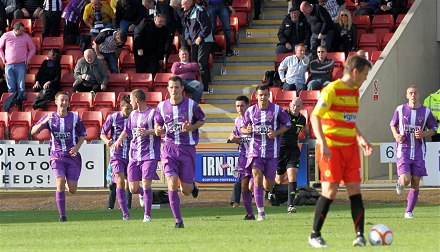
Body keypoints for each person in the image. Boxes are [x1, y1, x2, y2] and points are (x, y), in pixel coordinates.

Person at [308, 55, 373, 248]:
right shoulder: (332, 90)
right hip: (332, 148)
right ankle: (314, 234)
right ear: (355, 72)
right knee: (330, 190)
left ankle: (360, 235)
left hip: (350, 149)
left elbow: (349, 121)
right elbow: (314, 117)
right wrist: (323, 143)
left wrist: (360, 138)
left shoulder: (354, 93)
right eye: (364, 74)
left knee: (355, 189)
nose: (365, 78)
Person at [154, 76, 205, 228]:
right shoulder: (162, 107)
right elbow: (158, 124)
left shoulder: (192, 105)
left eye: (177, 87)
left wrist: (191, 127)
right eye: (171, 87)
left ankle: (192, 185)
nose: (174, 90)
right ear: (168, 89)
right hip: (169, 148)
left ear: (182, 89)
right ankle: (178, 220)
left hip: (186, 149)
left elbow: (201, 120)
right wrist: (158, 129)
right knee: (171, 182)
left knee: (186, 191)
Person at [30, 91, 87, 222]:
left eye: (66, 100)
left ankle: (68, 183)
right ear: (56, 102)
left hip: (72, 156)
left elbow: (83, 134)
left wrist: (77, 147)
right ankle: (62, 216)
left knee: (72, 190)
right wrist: (43, 122)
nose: (64, 103)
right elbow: (33, 132)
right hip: (57, 155)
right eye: (62, 100)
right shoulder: (50, 117)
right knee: (59, 180)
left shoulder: (75, 118)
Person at [241, 84, 291, 221]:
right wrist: (248, 130)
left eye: (265, 95)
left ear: (269, 96)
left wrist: (276, 133)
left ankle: (261, 185)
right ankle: (261, 213)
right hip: (255, 150)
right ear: (256, 96)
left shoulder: (276, 110)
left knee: (268, 185)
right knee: (257, 178)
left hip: (271, 152)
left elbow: (287, 124)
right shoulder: (250, 111)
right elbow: (242, 128)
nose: (263, 97)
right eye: (260, 95)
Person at [113, 89, 162, 222]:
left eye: (131, 101)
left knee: (146, 184)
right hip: (134, 155)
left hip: (149, 155)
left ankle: (147, 215)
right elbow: (127, 130)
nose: (130, 105)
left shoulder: (153, 113)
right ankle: (144, 195)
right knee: (132, 188)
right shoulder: (133, 114)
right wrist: (118, 141)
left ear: (136, 100)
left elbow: (159, 131)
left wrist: (147, 131)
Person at [390, 85, 438, 219]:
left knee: (416, 181)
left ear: (418, 95)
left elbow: (434, 128)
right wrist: (396, 135)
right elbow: (393, 124)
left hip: (418, 150)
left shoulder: (426, 112)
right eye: (410, 93)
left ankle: (408, 211)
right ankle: (400, 183)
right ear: (407, 95)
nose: (413, 95)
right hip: (403, 149)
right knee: (406, 180)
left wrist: (424, 133)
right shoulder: (400, 109)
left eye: (415, 93)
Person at [100, 95, 135, 220]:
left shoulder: (135, 118)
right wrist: (108, 141)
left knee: (129, 184)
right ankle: (125, 213)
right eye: (127, 109)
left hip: (132, 154)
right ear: (121, 107)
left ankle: (128, 205)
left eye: (131, 108)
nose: (129, 111)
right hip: (117, 154)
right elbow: (102, 134)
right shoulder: (113, 118)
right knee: (121, 180)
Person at [274, 97, 306, 213]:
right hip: (280, 150)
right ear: (290, 104)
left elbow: (299, 133)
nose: (295, 108)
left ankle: (291, 205)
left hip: (293, 150)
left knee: (292, 175)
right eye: (293, 105)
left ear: (301, 107)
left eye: (298, 106)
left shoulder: (303, 119)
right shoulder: (282, 115)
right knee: (279, 179)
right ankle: (271, 191)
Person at [227, 95, 254, 219]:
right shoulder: (237, 121)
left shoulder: (255, 119)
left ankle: (263, 205)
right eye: (237, 106)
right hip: (243, 155)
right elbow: (240, 140)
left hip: (255, 154)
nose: (239, 108)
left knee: (253, 184)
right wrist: (234, 140)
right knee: (244, 185)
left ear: (248, 105)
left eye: (242, 105)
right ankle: (250, 213)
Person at [182, 0, 213, 93]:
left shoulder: (200, 10)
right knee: (194, 63)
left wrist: (200, 37)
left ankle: (205, 88)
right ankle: (196, 85)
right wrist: (187, 37)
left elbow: (207, 26)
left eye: (183, 6)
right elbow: (187, 27)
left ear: (188, 3)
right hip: (195, 41)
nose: (182, 8)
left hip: (204, 40)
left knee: (201, 63)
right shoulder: (187, 12)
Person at [0, 21, 36, 94]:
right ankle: (12, 103)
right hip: (8, 64)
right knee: (11, 87)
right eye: (22, 30)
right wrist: (3, 58)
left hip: (21, 64)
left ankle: (21, 103)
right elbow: (0, 48)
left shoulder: (26, 36)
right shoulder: (6, 35)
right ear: (16, 30)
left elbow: (32, 49)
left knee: (21, 87)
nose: (23, 32)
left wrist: (28, 58)